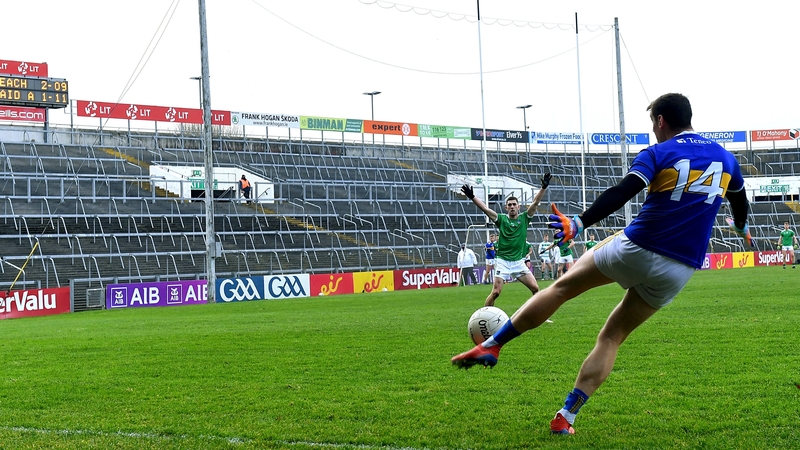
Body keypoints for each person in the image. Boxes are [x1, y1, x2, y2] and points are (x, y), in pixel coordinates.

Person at [451, 93, 751, 436]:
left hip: (637, 246)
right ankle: (567, 415)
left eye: (652, 123)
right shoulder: (727, 160)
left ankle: (493, 345)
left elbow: (622, 191)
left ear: (660, 121)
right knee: (612, 336)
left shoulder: (660, 152)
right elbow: (740, 205)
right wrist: (741, 230)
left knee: (561, 288)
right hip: (680, 268)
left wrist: (579, 222)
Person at [461, 173, 551, 307]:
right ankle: (484, 318)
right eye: (510, 205)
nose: (512, 206)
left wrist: (543, 187)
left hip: (518, 262)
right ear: (506, 207)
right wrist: (473, 197)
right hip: (502, 261)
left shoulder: (525, 218)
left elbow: (535, 202)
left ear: (519, 207)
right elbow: (485, 209)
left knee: (536, 289)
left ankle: (538, 314)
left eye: (515, 204)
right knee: (496, 292)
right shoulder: (502, 219)